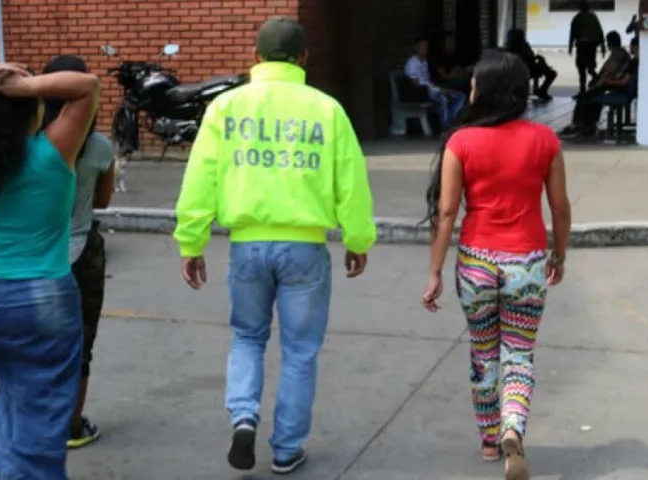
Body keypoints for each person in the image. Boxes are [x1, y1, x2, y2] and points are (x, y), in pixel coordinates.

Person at [172, 16, 376, 476]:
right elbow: (351, 182)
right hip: (304, 249)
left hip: (247, 246)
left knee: (247, 336)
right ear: (305, 57)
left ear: (255, 56)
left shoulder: (226, 107)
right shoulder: (326, 109)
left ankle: (244, 417)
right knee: (300, 351)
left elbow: (201, 178)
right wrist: (357, 238)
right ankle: (286, 448)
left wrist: (191, 241)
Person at [0, 62, 100, 479]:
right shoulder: (53, 151)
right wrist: (26, 86)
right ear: (34, 109)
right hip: (43, 300)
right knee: (42, 408)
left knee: (14, 388)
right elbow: (87, 86)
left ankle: (4, 469)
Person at [420, 51, 571, 480]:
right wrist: (559, 255)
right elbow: (560, 207)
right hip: (526, 263)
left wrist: (435, 271)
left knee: (483, 353)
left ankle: (489, 441)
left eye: (473, 84)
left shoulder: (461, 142)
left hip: (476, 264)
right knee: (519, 354)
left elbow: (446, 212)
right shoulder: (545, 141)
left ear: (483, 91)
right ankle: (512, 429)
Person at [40, 54, 116, 450]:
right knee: (80, 344)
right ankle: (71, 426)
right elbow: (102, 201)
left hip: (36, 253)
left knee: (38, 342)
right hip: (81, 249)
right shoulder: (99, 146)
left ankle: (37, 419)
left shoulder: (31, 142)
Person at [560, 31, 632, 139]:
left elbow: (609, 72)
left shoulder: (617, 54)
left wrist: (597, 84)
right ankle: (589, 124)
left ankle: (577, 124)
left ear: (609, 43)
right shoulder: (621, 53)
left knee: (584, 97)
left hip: (610, 84)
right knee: (591, 97)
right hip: (611, 84)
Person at [405, 37, 467, 131]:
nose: (425, 48)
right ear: (416, 47)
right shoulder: (412, 63)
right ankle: (445, 127)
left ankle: (453, 122)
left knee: (460, 96)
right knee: (443, 98)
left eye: (426, 46)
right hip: (421, 92)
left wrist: (438, 87)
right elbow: (417, 84)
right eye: (422, 46)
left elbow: (429, 81)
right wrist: (438, 90)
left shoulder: (425, 62)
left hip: (432, 89)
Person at [505, 28, 557, 101]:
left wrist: (538, 60)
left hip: (529, 67)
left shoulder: (524, 45)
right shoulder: (512, 49)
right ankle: (540, 91)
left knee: (551, 73)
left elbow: (531, 56)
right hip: (521, 70)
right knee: (549, 72)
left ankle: (541, 91)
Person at [568, 0, 605, 94]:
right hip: (592, 46)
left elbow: (572, 33)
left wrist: (570, 47)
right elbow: (600, 32)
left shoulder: (577, 18)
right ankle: (597, 81)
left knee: (581, 69)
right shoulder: (593, 17)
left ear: (580, 8)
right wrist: (603, 47)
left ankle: (583, 90)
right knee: (591, 68)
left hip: (582, 45)